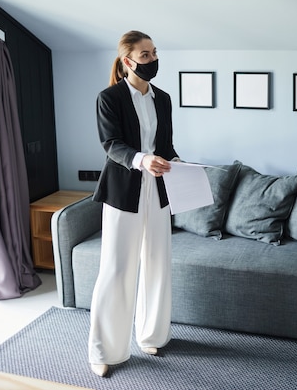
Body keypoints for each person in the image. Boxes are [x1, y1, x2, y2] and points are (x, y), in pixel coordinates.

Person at [88, 30, 179, 377]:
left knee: (158, 262)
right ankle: (104, 349)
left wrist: (179, 164)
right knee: (117, 268)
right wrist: (142, 159)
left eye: (154, 53)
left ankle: (152, 334)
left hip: (157, 190)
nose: (153, 60)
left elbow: (166, 146)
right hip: (123, 191)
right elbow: (111, 144)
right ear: (128, 61)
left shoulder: (163, 99)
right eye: (145, 55)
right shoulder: (109, 98)